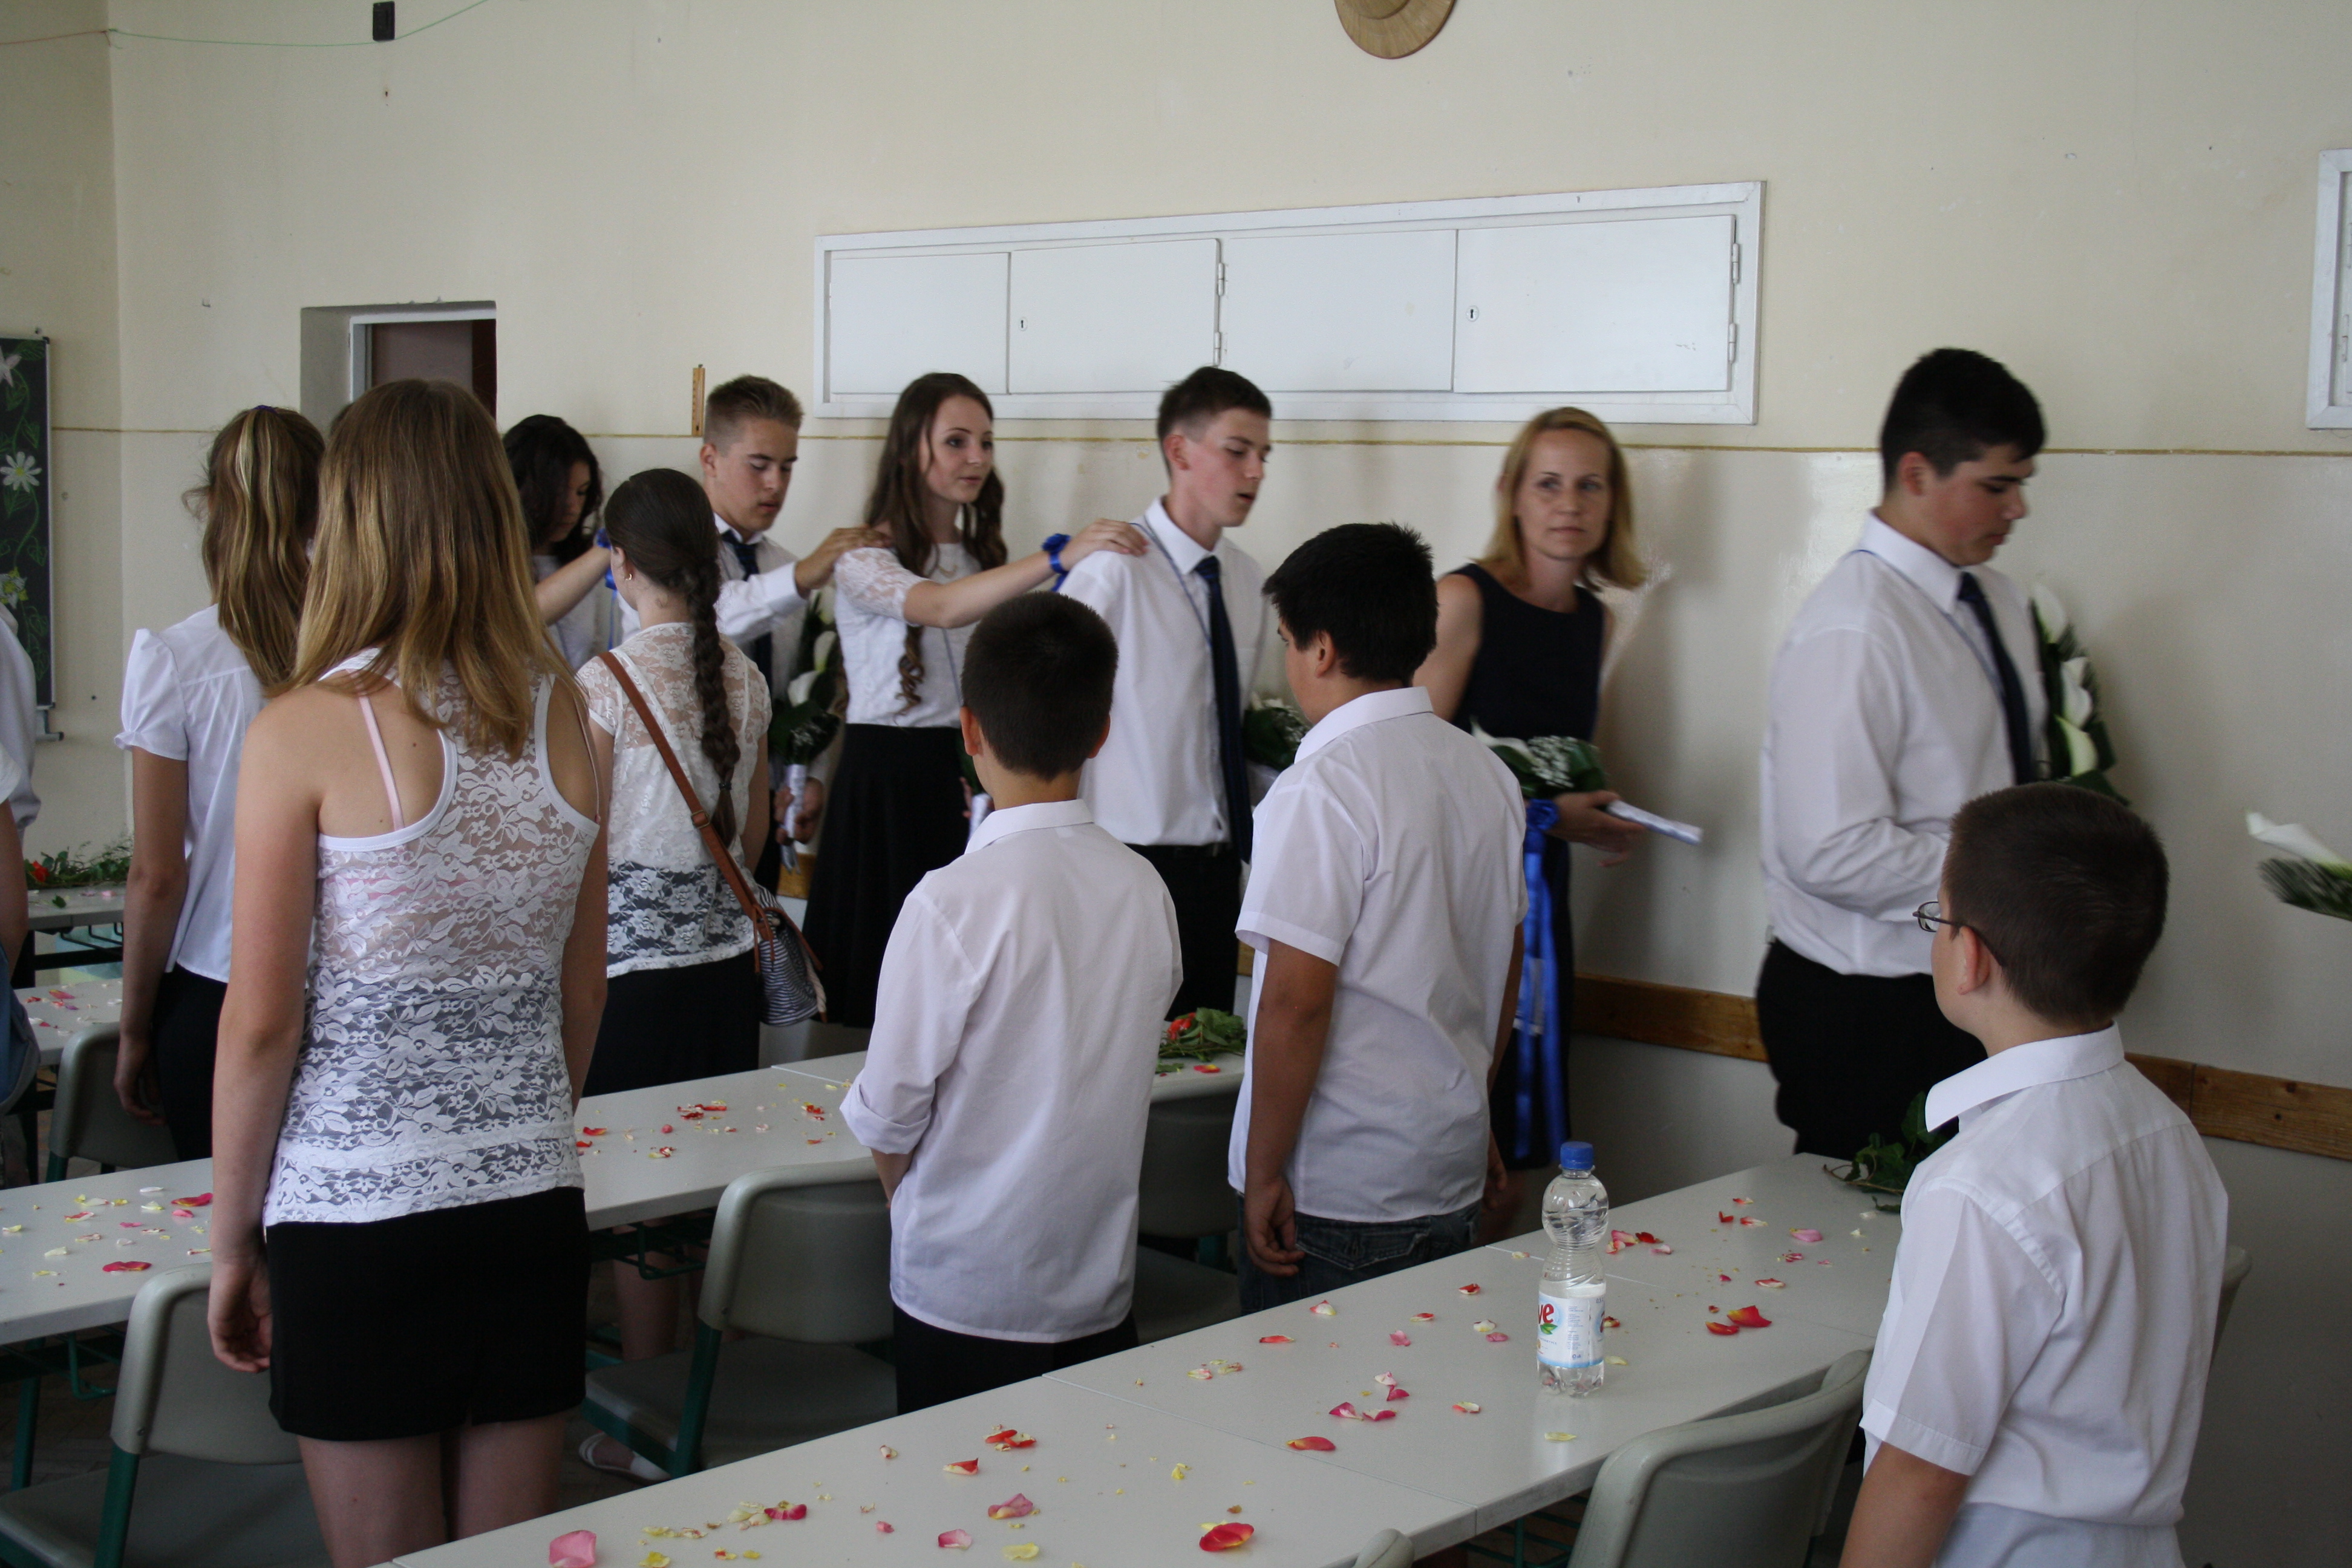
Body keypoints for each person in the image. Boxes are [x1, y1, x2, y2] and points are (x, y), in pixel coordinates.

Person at [208, 379, 607, 1568]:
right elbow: (583, 989)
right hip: (528, 1202)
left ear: (352, 521)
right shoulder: (569, 713)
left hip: (357, 1213)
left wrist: (231, 1241)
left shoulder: (304, 725)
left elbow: (262, 1023)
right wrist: (517, 1123)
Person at [1841, 784, 2226, 1568]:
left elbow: (1921, 1471)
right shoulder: (2167, 1131)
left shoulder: (1980, 1185)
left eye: (1939, 919)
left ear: (1970, 957)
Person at [840, 593, 1180, 1413]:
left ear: (969, 731)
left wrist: (916, 1211)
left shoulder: (949, 901)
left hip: (962, 1292)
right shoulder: (1144, 888)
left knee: (956, 1490)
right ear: (1101, 734)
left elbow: (889, 1117)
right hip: (1096, 1284)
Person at [1758, 348, 2048, 1161]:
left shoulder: (1996, 601)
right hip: (1869, 1006)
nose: (2019, 507)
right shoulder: (1855, 628)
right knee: (1865, 1230)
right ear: (1917, 474)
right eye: (1997, 485)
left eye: (2024, 482)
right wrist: (2006, 881)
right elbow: (1829, 849)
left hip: (1975, 982)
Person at [1232, 523, 1525, 1311]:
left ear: (1322, 650)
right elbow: (1505, 968)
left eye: (1288, 641)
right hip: (1449, 1164)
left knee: (1303, 1386)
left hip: (1339, 1187)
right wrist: (1475, 1107)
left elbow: (1295, 1001)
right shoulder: (1488, 776)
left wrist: (1263, 1171)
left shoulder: (1321, 787)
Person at [802, 371, 1145, 1027]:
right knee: (876, 984)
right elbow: (941, 607)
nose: (977, 458)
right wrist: (1060, 556)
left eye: (986, 442)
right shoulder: (863, 556)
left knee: (956, 979)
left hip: (962, 771)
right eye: (956, 442)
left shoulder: (982, 557)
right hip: (882, 783)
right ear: (912, 449)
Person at [1415, 406, 1650, 1226]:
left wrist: (1597, 814)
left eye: (1590, 486)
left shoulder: (1598, 621)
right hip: (1456, 896)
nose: (1569, 504)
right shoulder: (1464, 599)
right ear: (1512, 494)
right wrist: (1551, 815)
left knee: (1522, 1145)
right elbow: (1415, 780)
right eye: (1548, 484)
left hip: (1543, 897)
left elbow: (1556, 760)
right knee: (1456, 1124)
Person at [574, 467, 769, 1443]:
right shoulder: (747, 679)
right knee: (707, 1194)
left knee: (639, 1214)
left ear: (620, 561)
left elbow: (585, 845)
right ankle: (707, 1406)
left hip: (632, 988)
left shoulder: (605, 684)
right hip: (723, 980)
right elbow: (755, 835)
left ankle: (648, 1427)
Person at [115, 405, 324, 1158]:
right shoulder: (362, 648)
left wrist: (135, 1025)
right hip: (345, 985)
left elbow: (158, 875)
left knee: (224, 1217)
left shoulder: (174, 659)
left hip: (217, 981)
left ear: (209, 507)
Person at [1060, 366, 1274, 1019]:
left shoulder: (1247, 580)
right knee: (1121, 1050)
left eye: (1264, 455)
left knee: (1205, 1052)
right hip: (1126, 863)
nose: (1256, 472)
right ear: (1179, 451)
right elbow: (1052, 718)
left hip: (1218, 869)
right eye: (1237, 451)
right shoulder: (1112, 572)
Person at [629, 376, 871, 882]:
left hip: (762, 811)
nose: (775, 485)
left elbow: (799, 687)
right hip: (670, 809)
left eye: (787, 467)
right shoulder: (663, 559)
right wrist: (800, 580)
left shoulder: (785, 568)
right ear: (710, 459)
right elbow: (711, 619)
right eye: (759, 465)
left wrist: (808, 776)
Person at [508, 414, 613, 669]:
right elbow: (525, 617)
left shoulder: (586, 560)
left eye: (582, 492)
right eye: (559, 493)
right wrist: (606, 549)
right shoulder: (490, 565)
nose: (573, 507)